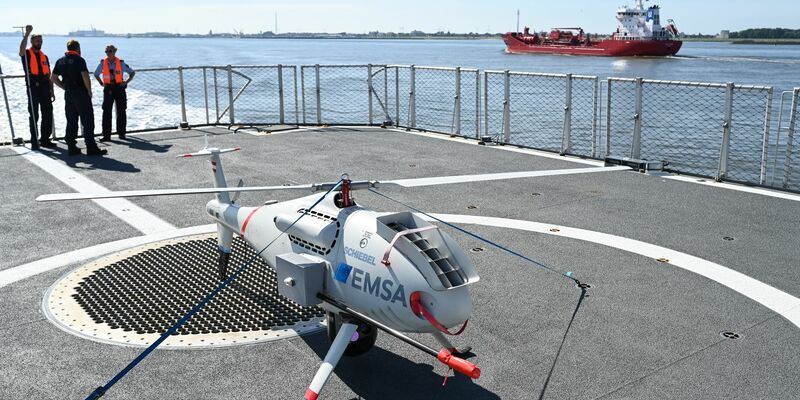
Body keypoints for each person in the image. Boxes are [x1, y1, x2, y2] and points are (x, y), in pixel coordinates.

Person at [50, 40, 107, 156]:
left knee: (71, 120)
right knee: (87, 120)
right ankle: (91, 147)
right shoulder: (79, 60)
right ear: (78, 48)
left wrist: (64, 87)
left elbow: (53, 78)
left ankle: (71, 146)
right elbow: (85, 76)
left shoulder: (60, 61)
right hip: (80, 93)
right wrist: (89, 91)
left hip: (69, 94)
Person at [18, 25, 55, 149]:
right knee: (34, 114)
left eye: (41, 41)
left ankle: (45, 139)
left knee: (48, 113)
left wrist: (52, 90)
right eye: (37, 41)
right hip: (33, 87)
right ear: (32, 41)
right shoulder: (26, 54)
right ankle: (34, 141)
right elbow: (21, 49)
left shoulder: (45, 57)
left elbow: (49, 74)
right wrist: (27, 33)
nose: (39, 42)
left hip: (45, 87)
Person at [93, 45, 135, 141]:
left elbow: (132, 73)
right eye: (106, 51)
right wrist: (101, 83)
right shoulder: (103, 63)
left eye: (110, 51)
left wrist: (126, 82)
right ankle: (106, 136)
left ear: (115, 51)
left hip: (119, 88)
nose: (108, 53)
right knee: (106, 112)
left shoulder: (121, 63)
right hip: (108, 88)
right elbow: (96, 74)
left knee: (121, 111)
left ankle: (122, 133)